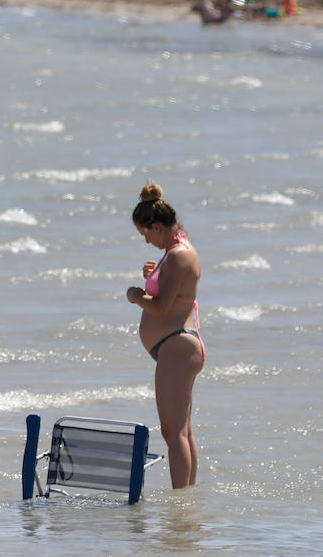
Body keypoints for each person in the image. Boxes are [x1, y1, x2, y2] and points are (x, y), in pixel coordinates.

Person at [125, 182, 204, 489]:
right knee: (182, 431)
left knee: (173, 433)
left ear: (157, 226)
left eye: (146, 233)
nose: (146, 240)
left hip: (178, 347)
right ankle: (188, 501)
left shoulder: (178, 255)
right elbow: (173, 291)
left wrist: (135, 296)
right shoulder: (175, 250)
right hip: (176, 348)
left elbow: (160, 307)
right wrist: (152, 276)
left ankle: (180, 505)